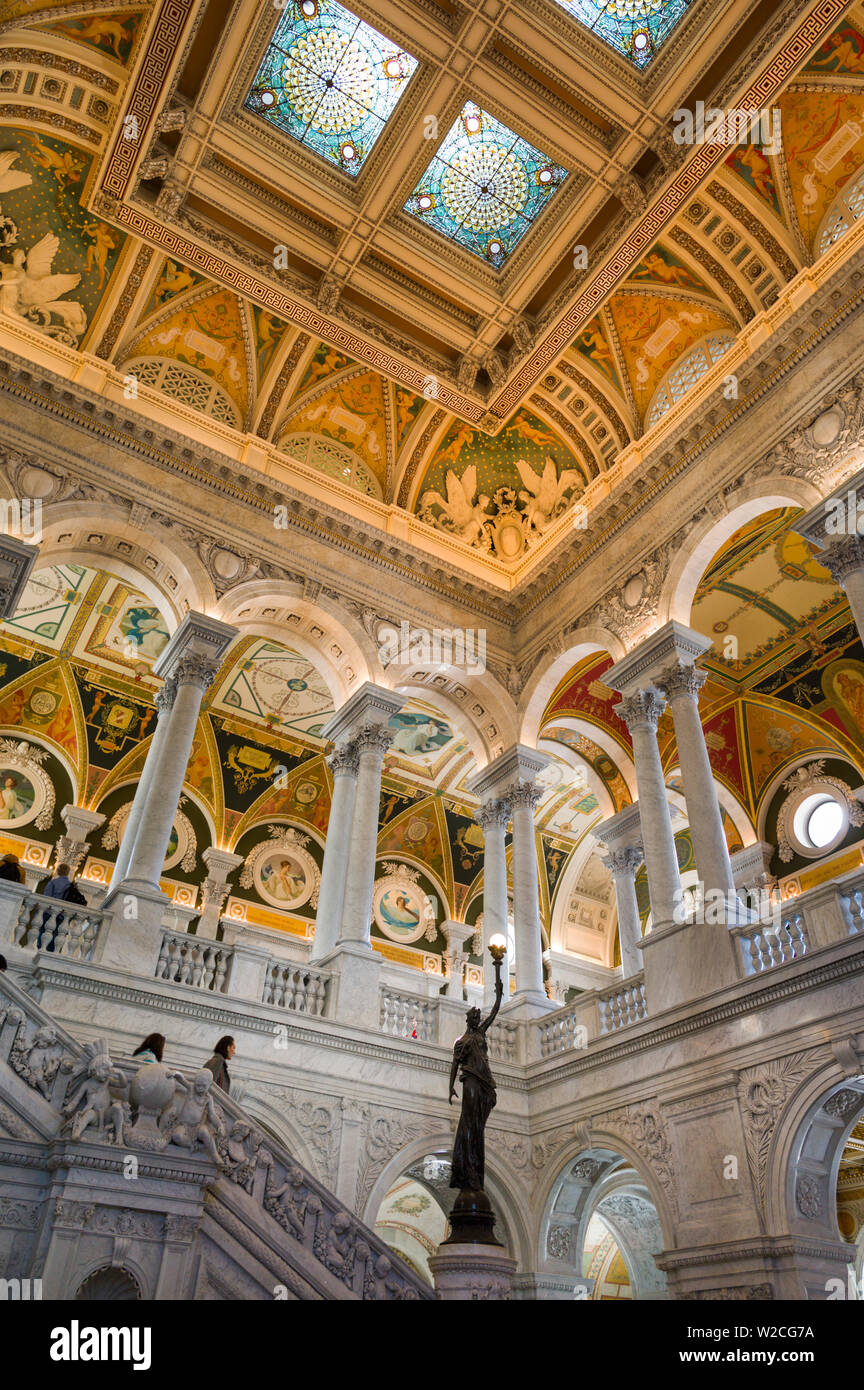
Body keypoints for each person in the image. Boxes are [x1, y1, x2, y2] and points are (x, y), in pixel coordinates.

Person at [447, 960, 504, 1192]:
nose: (478, 1019)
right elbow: (454, 1064)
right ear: (468, 1019)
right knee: (470, 1121)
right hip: (469, 1079)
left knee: (478, 1122)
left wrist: (499, 988)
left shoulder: (481, 1032)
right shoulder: (462, 1042)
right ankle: (468, 1163)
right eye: (475, 1017)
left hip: (484, 1080)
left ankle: (473, 1162)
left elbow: (496, 1011)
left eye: (479, 1017)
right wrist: (450, 1086)